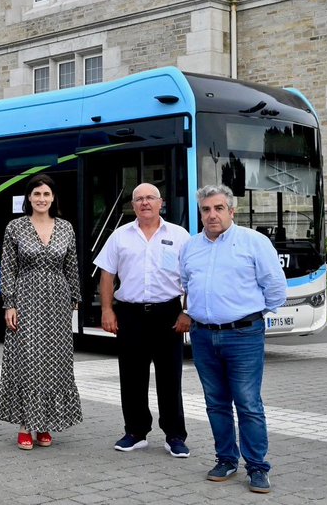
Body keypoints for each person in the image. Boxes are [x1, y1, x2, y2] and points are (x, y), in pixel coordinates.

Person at [178, 184, 287, 494]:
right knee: (216, 403)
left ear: (231, 211)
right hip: (202, 335)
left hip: (243, 336)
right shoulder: (191, 246)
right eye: (206, 210)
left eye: (218, 208)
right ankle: (226, 459)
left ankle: (257, 467)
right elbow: (187, 284)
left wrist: (248, 317)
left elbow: (275, 290)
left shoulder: (253, 242)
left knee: (248, 403)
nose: (212, 215)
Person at [93, 182, 192, 458]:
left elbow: (191, 276)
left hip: (168, 314)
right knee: (132, 376)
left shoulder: (180, 235)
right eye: (139, 199)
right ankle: (136, 432)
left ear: (161, 203)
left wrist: (187, 311)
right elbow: (107, 275)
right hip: (130, 314)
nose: (145, 203)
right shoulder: (119, 236)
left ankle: (174, 436)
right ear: (133, 205)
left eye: (150, 198)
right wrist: (107, 310)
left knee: (170, 377)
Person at [0, 174, 82, 450]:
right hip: (26, 298)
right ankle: (25, 424)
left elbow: (72, 266)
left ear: (53, 197)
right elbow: (8, 267)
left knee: (54, 361)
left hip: (57, 301)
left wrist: (75, 300)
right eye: (36, 194)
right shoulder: (15, 227)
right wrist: (9, 303)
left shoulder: (66, 227)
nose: (42, 199)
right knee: (27, 360)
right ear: (28, 199)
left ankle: (44, 423)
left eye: (46, 194)